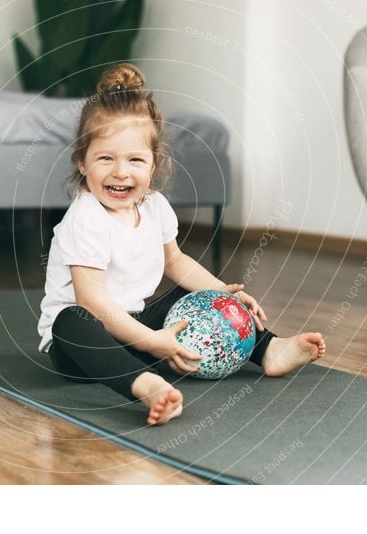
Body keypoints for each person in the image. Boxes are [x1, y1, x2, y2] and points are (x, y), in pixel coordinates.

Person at [37, 63, 325, 426]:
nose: (121, 172)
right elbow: (92, 301)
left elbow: (175, 261)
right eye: (105, 158)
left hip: (138, 329)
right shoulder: (86, 217)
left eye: (135, 160)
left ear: (154, 165)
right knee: (70, 320)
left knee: (193, 297)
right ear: (82, 162)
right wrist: (151, 342)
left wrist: (224, 294)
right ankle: (145, 384)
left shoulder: (154, 206)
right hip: (82, 348)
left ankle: (269, 348)